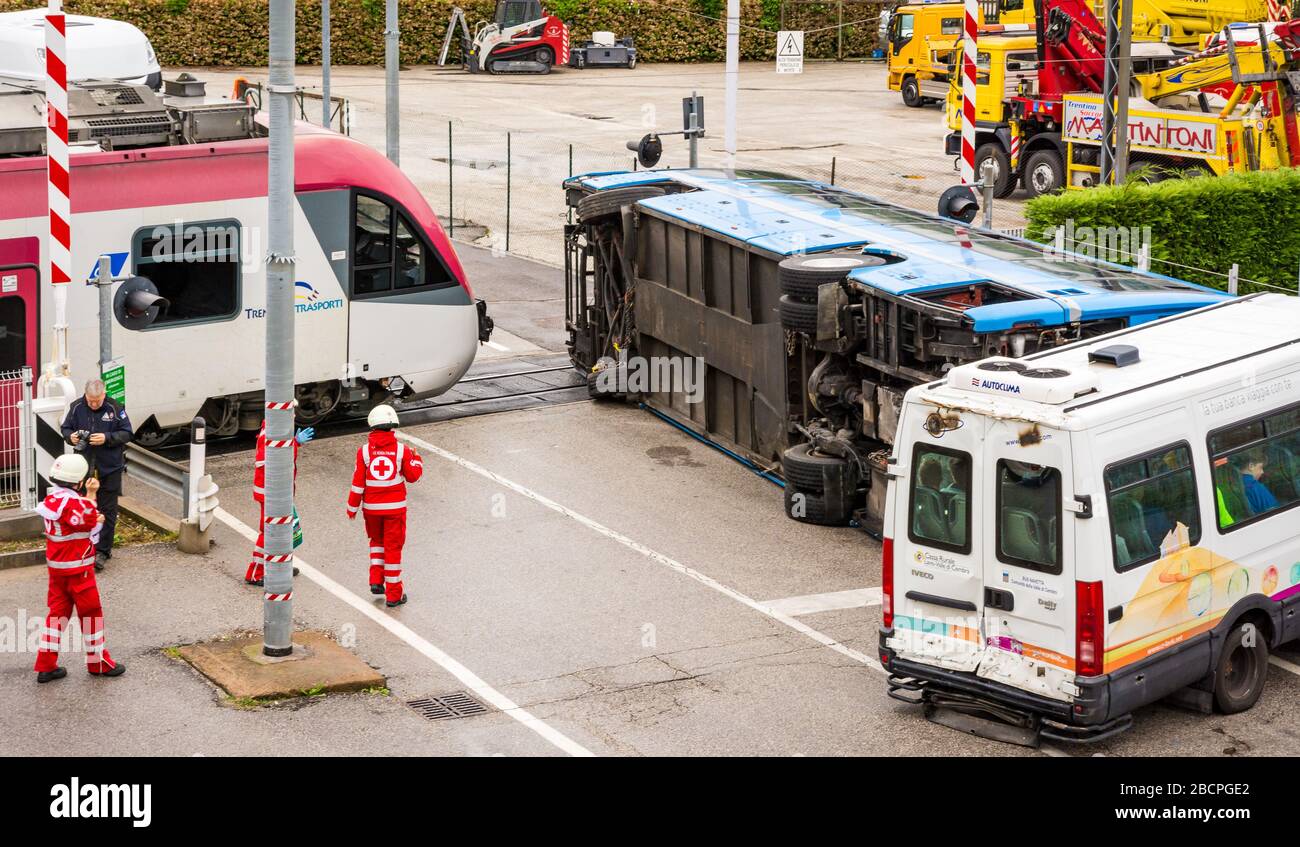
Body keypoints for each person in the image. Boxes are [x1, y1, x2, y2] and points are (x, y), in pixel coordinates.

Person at [33, 453, 126, 682]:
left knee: (56, 616)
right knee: (91, 616)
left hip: (57, 571)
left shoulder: (52, 500)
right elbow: (88, 518)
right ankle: (99, 664)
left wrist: (90, 503)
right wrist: (93, 495)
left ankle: (46, 664)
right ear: (79, 482)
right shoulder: (76, 503)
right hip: (79, 571)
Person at [346, 405, 422, 607]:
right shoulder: (402, 450)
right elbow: (413, 476)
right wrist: (417, 459)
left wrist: (352, 507)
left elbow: (358, 482)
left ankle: (376, 581)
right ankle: (394, 595)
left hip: (371, 509)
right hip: (395, 510)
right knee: (393, 548)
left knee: (376, 542)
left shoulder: (363, 452)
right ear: (392, 426)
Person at [61, 380, 133, 571]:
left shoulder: (115, 407)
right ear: (85, 395)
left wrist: (107, 438)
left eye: (97, 401)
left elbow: (127, 433)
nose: (94, 404)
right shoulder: (76, 407)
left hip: (109, 467)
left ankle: (103, 551)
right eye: (90, 401)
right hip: (83, 467)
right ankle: (84, 547)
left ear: (104, 395)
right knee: (83, 507)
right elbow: (65, 428)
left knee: (107, 509)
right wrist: (71, 437)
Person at [246, 421, 313, 586]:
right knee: (269, 532)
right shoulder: (272, 430)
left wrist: (294, 442)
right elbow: (275, 458)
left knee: (282, 529)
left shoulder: (275, 427)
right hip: (272, 492)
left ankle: (280, 567)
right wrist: (295, 444)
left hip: (276, 491)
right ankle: (255, 573)